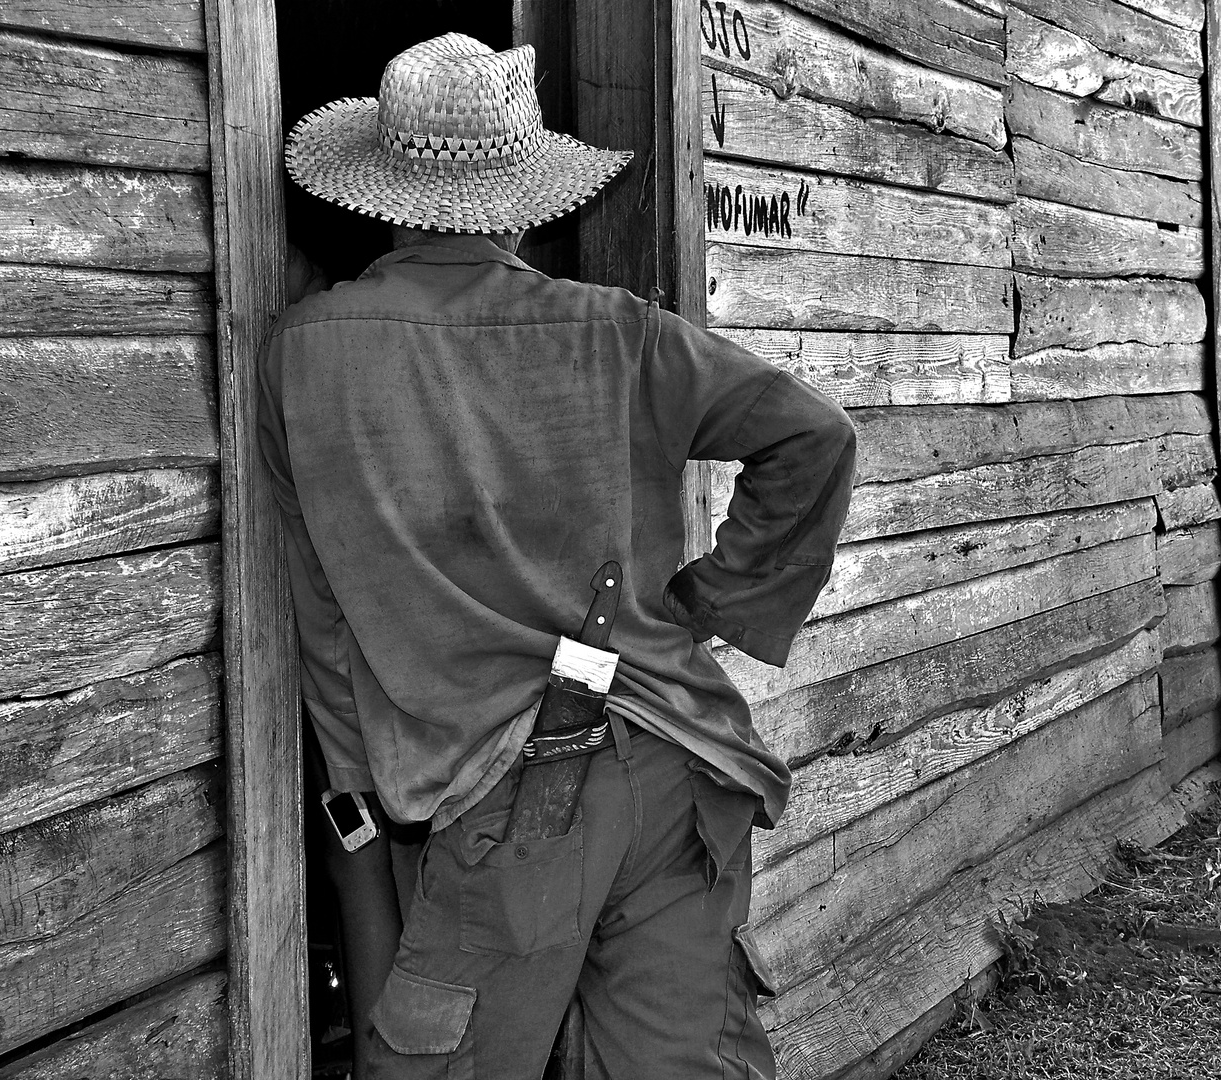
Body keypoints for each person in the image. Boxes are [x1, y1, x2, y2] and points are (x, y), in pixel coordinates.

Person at [258, 32, 857, 1080]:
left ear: (380, 193)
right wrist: (706, 602)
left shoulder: (302, 358)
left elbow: (323, 619)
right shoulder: (616, 333)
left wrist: (363, 806)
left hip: (497, 797)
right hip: (672, 757)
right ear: (527, 199)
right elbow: (813, 437)